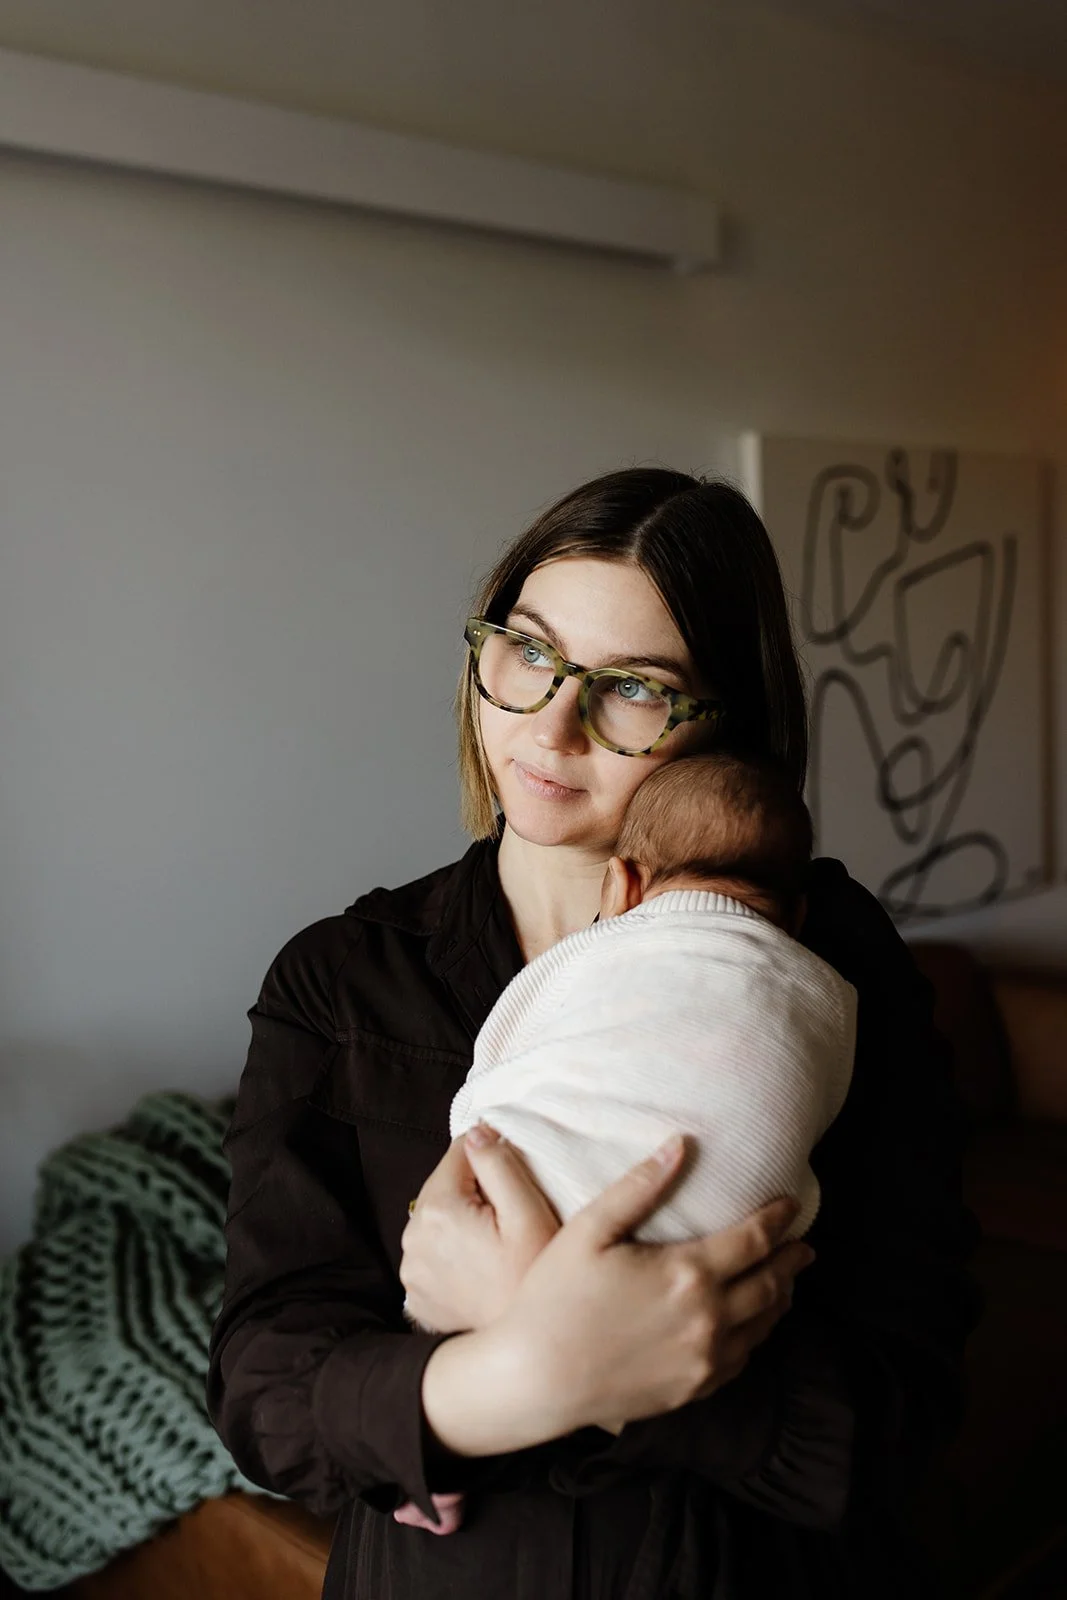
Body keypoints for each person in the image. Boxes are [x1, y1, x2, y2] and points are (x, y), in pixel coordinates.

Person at [207, 469, 978, 1599]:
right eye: (525, 649)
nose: (549, 723)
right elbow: (270, 1393)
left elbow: (896, 1411)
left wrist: (580, 1347)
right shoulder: (344, 977)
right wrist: (525, 1371)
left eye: (632, 689)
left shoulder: (827, 964)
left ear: (731, 728)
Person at [393, 750, 857, 1539]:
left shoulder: (588, 953)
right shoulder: (831, 992)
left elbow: (500, 1054)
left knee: (442, 1278)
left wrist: (474, 1132)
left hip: (538, 1220)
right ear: (798, 920)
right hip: (713, 1250)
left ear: (623, 886)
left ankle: (438, 1469)